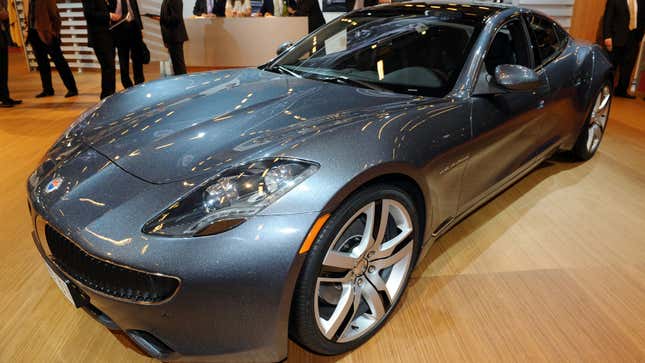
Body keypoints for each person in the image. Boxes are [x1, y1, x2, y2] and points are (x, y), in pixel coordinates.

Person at [25, 0, 78, 98]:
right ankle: (47, 89)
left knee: (60, 62)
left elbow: (56, 17)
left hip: (47, 35)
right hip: (34, 34)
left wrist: (54, 33)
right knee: (42, 64)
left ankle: (72, 89)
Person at [603, 0, 645, 98]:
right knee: (611, 66)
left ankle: (621, 90)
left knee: (628, 66)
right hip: (616, 38)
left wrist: (640, 35)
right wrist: (607, 36)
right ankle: (606, 89)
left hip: (633, 39)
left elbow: (642, 19)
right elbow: (608, 18)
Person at [81, 0, 116, 99]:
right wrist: (109, 15)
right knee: (108, 67)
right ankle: (106, 97)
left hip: (109, 35)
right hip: (99, 37)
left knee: (110, 68)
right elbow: (89, 14)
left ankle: (110, 95)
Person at [109, 0, 145, 88]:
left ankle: (139, 82)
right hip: (119, 30)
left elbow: (135, 10)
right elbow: (107, 11)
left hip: (134, 28)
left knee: (137, 57)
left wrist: (141, 28)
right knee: (123, 59)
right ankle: (127, 84)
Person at [1, 0, 21, 107]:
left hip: (2, 38)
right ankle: (4, 99)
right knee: (1, 71)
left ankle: (5, 97)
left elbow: (6, 14)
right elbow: (4, 15)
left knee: (4, 71)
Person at [160, 0, 188, 75]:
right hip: (171, 37)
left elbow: (176, 18)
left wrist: (163, 19)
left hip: (175, 36)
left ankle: (183, 84)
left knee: (179, 66)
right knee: (176, 65)